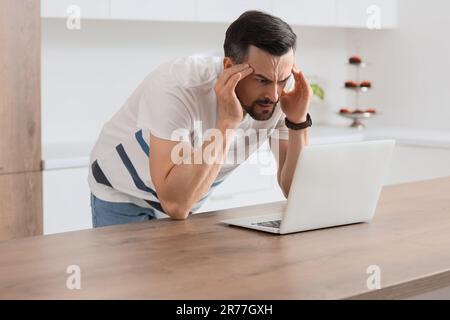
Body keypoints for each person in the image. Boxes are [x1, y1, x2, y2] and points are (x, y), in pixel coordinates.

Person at [88, 10, 312, 227]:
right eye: (261, 80)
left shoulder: (284, 93)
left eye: (282, 79)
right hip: (124, 192)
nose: (273, 95)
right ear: (229, 67)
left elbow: (294, 191)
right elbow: (176, 205)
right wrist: (227, 123)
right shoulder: (178, 85)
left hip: (184, 194)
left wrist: (298, 121)